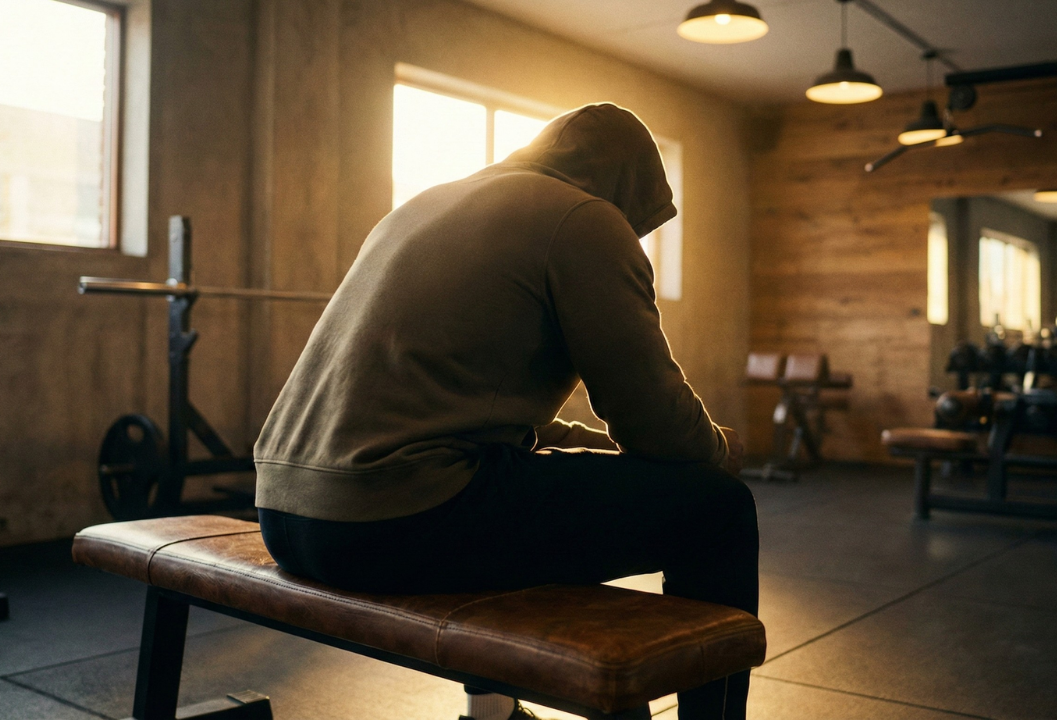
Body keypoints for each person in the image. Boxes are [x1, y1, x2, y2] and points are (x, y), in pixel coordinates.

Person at [254, 103, 758, 720]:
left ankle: (495, 711)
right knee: (718, 508)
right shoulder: (587, 218)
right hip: (396, 519)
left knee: (534, 487)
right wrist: (715, 449)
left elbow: (473, 411)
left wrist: (597, 451)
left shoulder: (428, 205)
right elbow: (653, 421)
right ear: (629, 188)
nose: (636, 236)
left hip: (285, 514)